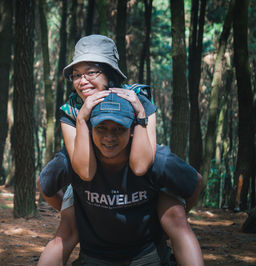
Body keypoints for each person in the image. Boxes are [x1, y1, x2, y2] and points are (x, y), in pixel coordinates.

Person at [38, 35, 203, 265]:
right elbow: (83, 170)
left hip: (140, 173)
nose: (82, 80)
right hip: (85, 171)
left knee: (175, 217)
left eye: (91, 72)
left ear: (109, 73)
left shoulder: (138, 99)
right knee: (66, 229)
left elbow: (142, 164)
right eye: (76, 75)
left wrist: (141, 114)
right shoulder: (70, 110)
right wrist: (83, 118)